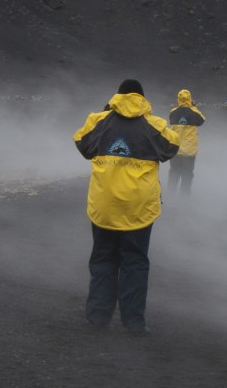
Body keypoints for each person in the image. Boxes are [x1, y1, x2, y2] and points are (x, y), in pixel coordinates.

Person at [73, 79, 180, 337]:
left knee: (103, 259)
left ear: (116, 97)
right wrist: (147, 118)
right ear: (142, 98)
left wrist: (107, 116)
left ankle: (98, 317)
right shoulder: (153, 126)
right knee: (134, 262)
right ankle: (134, 323)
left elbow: (82, 144)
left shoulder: (98, 120)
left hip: (104, 207)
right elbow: (172, 146)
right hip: (139, 209)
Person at [165, 89, 205, 194]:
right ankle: (185, 196)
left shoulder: (173, 112)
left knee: (174, 172)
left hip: (175, 149)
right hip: (189, 152)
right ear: (190, 99)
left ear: (178, 99)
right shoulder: (194, 112)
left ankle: (170, 195)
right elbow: (201, 120)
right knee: (187, 174)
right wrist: (194, 107)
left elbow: (171, 120)